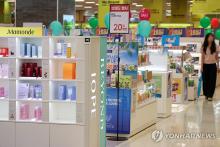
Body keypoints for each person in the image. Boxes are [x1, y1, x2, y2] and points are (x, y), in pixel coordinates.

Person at [201, 33, 219, 101]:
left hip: (212, 65)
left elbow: (217, 57)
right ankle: (206, 94)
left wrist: (218, 66)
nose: (211, 38)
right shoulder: (204, 46)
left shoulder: (216, 46)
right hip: (205, 65)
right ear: (207, 38)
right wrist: (201, 67)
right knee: (205, 80)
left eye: (212, 37)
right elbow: (202, 57)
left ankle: (210, 95)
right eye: (210, 37)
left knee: (212, 80)